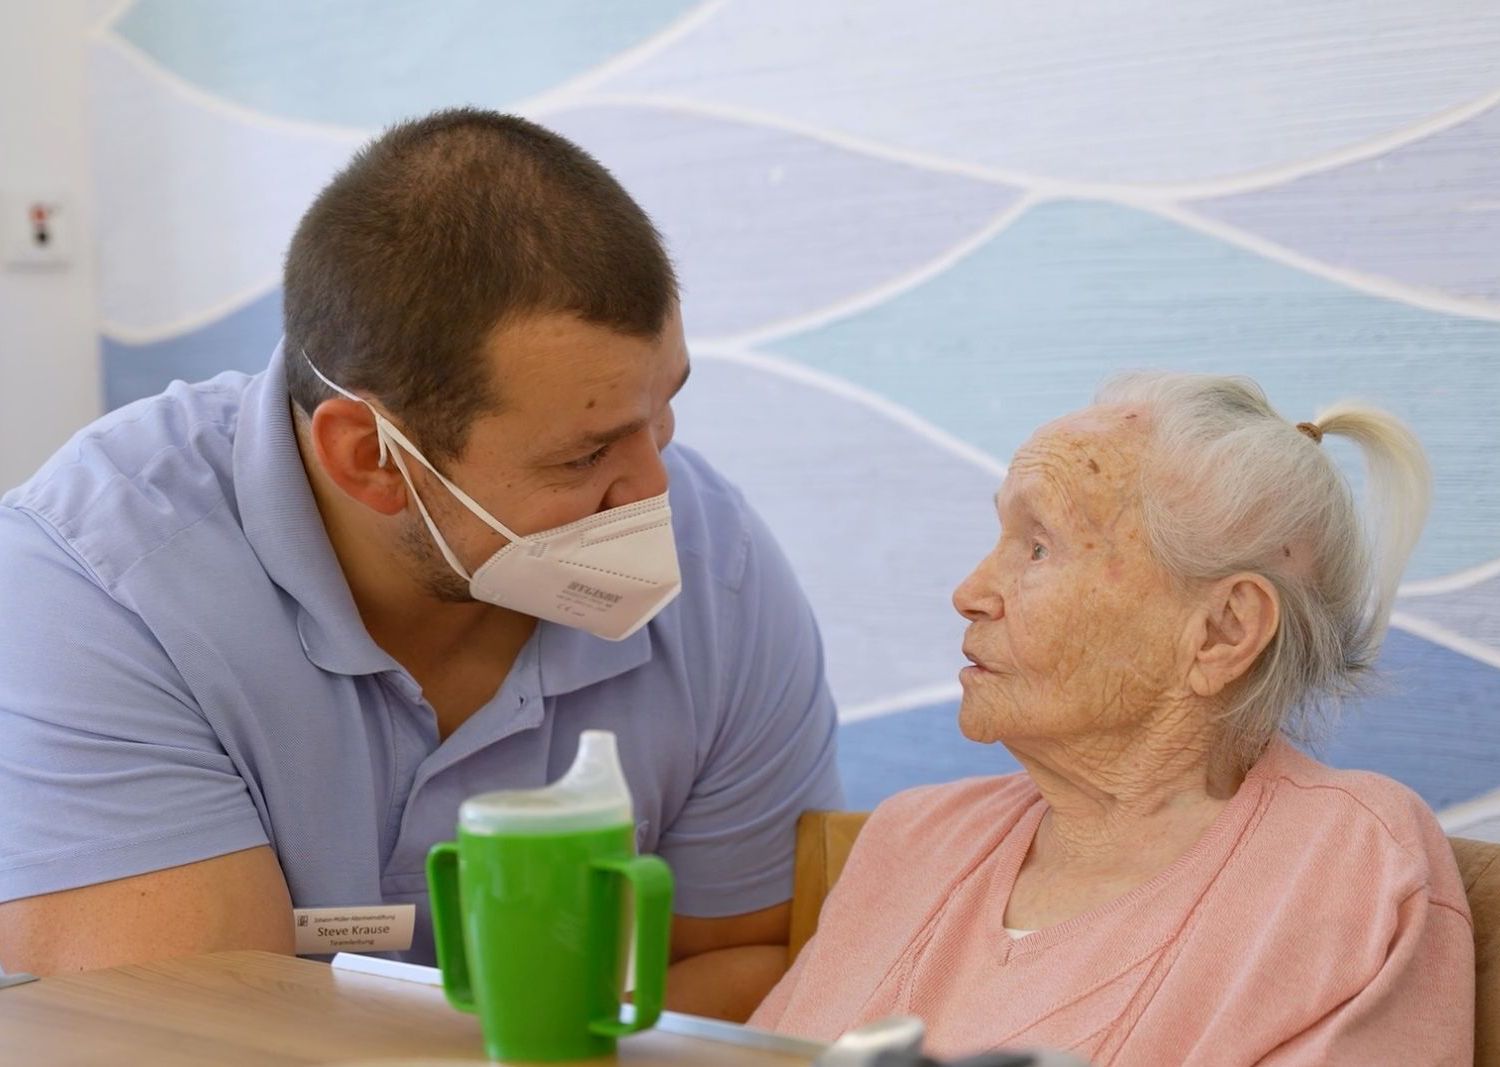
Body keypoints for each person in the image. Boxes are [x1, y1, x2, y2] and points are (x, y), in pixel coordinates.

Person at [0, 108, 842, 1020]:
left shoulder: (717, 568)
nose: (653, 493)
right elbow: (194, 1032)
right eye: (585, 455)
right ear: (370, 457)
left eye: (662, 409)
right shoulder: (95, 591)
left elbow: (759, 965)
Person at [750, 373, 1474, 1063]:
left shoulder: (1347, 863)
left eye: (1039, 546)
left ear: (1223, 630)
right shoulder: (913, 841)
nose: (970, 592)